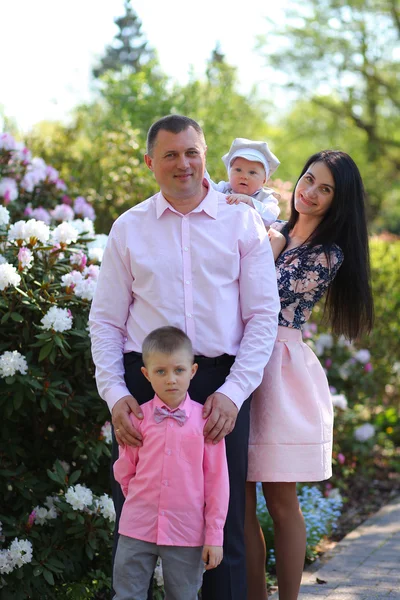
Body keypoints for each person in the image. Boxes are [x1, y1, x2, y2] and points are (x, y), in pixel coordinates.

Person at [89, 114, 280, 600]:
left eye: (191, 151)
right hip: (144, 389)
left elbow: (262, 316)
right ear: (151, 162)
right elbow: (106, 321)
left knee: (222, 530)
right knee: (136, 528)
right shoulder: (128, 228)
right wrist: (115, 396)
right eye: (170, 154)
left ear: (205, 153)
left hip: (220, 387)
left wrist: (234, 394)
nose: (183, 163)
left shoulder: (243, 222)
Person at [244, 150, 374, 600]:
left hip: (278, 372)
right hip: (240, 362)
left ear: (339, 201)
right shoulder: (272, 228)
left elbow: (263, 286)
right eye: (308, 179)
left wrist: (265, 239)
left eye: (325, 189)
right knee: (238, 503)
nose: (310, 192)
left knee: (281, 502)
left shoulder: (326, 253)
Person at [113, 326, 229, 600]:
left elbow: (217, 484)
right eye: (161, 371)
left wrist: (214, 536)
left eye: (179, 370)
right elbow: (124, 470)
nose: (171, 380)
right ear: (146, 374)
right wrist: (142, 500)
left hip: (186, 531)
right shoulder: (136, 419)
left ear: (193, 371)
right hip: (137, 527)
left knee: (184, 596)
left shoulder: (206, 423)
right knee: (127, 595)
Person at [205, 137, 281, 227]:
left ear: (264, 179)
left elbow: (271, 217)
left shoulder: (266, 197)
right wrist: (201, 169)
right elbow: (207, 187)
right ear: (229, 173)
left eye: (252, 172)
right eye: (238, 170)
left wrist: (249, 201)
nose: (244, 176)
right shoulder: (224, 189)